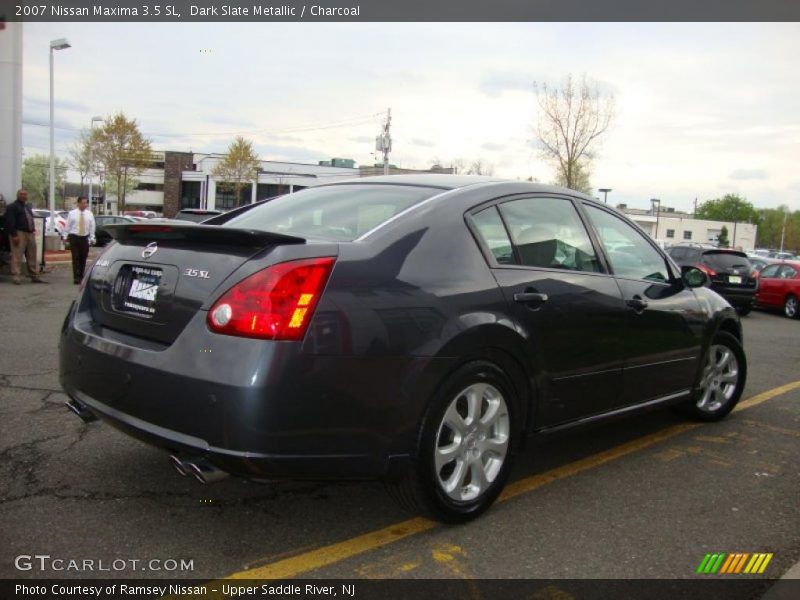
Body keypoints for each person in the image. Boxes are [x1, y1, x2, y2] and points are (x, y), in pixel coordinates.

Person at [5, 189, 46, 284]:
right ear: (18, 195)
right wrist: (14, 235)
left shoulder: (27, 206)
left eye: (25, 194)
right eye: (22, 194)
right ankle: (16, 276)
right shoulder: (12, 207)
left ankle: (34, 276)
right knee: (17, 256)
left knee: (32, 255)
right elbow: (10, 222)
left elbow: (30, 218)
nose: (24, 196)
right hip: (19, 233)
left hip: (30, 233)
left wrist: (33, 230)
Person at [65, 196, 96, 284]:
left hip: (84, 237)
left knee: (83, 257)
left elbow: (92, 226)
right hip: (74, 237)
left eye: (86, 203)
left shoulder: (89, 214)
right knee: (76, 257)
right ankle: (76, 277)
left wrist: (92, 237)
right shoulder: (72, 213)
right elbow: (68, 226)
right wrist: (64, 236)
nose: (84, 205)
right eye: (82, 203)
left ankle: (82, 276)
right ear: (78, 203)